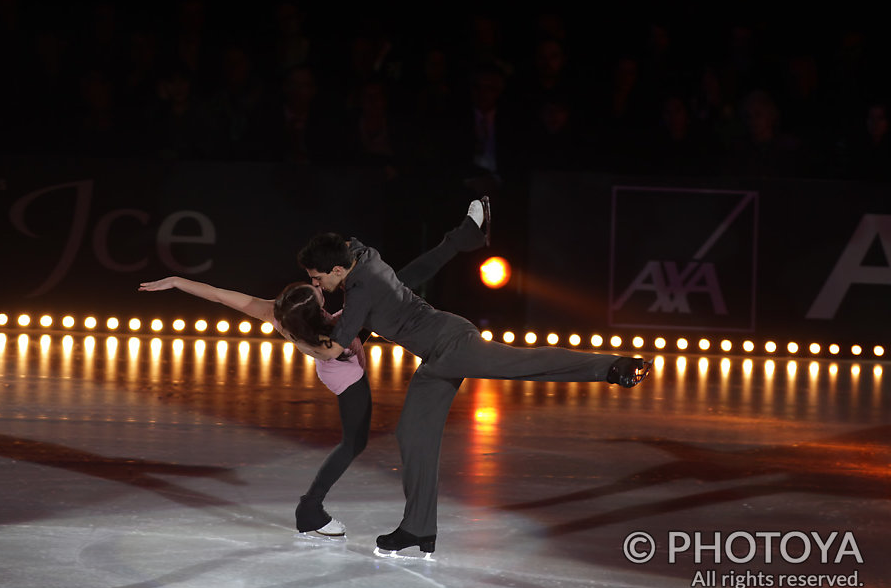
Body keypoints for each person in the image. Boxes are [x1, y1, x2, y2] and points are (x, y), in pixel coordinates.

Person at [288, 199, 649, 560]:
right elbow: (370, 257)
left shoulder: (360, 288)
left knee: (523, 362)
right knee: (413, 433)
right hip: (436, 360)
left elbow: (334, 350)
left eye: (317, 278)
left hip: (452, 343)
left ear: (337, 269)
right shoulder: (359, 253)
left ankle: (612, 367)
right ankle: (418, 528)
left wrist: (293, 335)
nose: (315, 283)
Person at [138, 200, 490, 539]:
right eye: (318, 291)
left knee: (398, 281)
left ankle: (462, 237)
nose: (320, 287)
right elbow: (339, 347)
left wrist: (176, 281)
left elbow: (217, 294)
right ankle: (309, 510)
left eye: (315, 283)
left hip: (341, 337)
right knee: (355, 443)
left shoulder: (274, 310)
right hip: (343, 370)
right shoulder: (323, 346)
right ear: (314, 313)